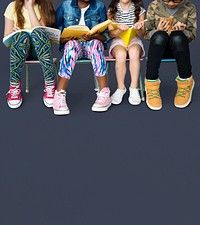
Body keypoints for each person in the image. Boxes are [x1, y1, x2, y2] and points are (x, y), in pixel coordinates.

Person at [53, 0, 111, 115]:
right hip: (74, 46)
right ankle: (59, 95)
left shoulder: (99, 6)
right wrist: (64, 39)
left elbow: (106, 35)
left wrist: (96, 37)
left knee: (96, 44)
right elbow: (53, 31)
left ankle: (104, 93)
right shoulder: (65, 6)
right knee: (70, 45)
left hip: (91, 46)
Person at [144, 0, 197, 110]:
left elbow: (192, 35)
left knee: (177, 37)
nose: (171, 4)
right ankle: (151, 83)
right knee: (159, 36)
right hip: (158, 49)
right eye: (167, 0)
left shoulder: (189, 7)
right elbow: (146, 33)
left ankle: (185, 80)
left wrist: (183, 31)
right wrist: (157, 30)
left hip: (179, 49)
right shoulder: (154, 5)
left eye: (176, 1)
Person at [4, 0, 56, 109]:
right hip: (21, 51)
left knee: (38, 33)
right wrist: (14, 32)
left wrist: (29, 6)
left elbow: (39, 30)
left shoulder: (45, 4)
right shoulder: (12, 7)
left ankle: (50, 84)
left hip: (42, 52)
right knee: (21, 36)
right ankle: (14, 86)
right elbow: (6, 39)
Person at [107, 0, 145, 105]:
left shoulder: (140, 10)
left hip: (134, 40)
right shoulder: (111, 11)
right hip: (118, 41)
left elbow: (142, 34)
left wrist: (138, 29)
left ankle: (134, 88)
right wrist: (119, 30)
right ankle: (120, 88)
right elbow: (111, 33)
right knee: (120, 54)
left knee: (134, 52)